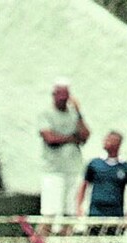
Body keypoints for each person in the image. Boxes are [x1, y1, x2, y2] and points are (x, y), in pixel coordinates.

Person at [37, 80, 87, 219]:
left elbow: (85, 136)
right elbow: (50, 138)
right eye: (60, 96)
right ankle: (43, 241)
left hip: (73, 169)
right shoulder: (46, 113)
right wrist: (71, 138)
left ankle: (66, 241)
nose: (63, 100)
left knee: (71, 213)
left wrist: (79, 112)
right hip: (53, 170)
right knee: (49, 212)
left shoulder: (73, 114)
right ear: (54, 95)